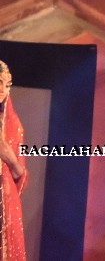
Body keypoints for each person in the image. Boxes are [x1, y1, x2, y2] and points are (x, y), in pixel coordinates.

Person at [0, 60, 28, 261]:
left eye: (7, 84)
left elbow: (22, 177)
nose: (2, 89)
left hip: (4, 207)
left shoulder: (14, 126)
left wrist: (10, 159)